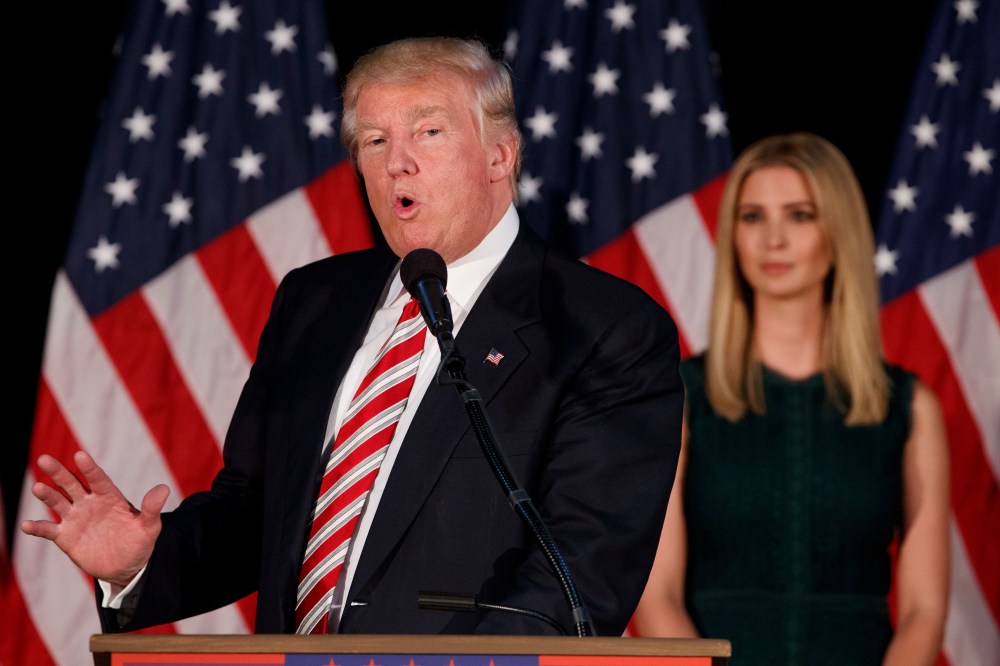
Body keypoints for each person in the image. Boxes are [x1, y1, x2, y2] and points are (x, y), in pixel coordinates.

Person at [21, 37, 683, 636]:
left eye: (428, 132)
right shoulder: (315, 301)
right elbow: (259, 516)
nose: (398, 163)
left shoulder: (603, 328)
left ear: (499, 156)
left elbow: (581, 574)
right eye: (373, 141)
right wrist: (144, 561)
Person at [632, 133, 949, 664]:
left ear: (839, 231)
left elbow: (924, 610)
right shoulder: (681, 399)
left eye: (800, 215)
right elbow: (656, 597)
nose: (772, 239)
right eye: (753, 217)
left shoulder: (910, 409)